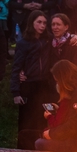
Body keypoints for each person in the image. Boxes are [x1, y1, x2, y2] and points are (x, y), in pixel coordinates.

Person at [35, 59, 77, 152]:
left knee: (39, 143)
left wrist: (51, 134)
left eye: (57, 81)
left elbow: (74, 126)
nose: (57, 84)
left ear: (63, 79)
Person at [12, 11, 52, 144]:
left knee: (42, 118)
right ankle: (23, 150)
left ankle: (39, 148)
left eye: (45, 23)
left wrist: (74, 36)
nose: (42, 25)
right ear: (32, 23)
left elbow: (63, 38)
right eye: (39, 22)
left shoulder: (48, 40)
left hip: (44, 85)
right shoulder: (24, 42)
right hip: (29, 85)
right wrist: (16, 92)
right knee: (26, 120)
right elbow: (16, 67)